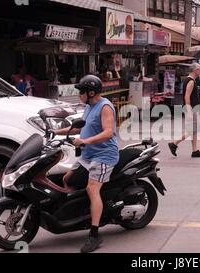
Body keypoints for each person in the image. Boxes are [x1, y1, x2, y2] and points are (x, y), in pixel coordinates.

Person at [53, 75, 119, 253]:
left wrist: (85, 142)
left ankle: (94, 234)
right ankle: (80, 212)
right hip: (89, 155)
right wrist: (55, 132)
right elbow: (79, 128)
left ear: (91, 92)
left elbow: (108, 133)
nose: (79, 94)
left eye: (81, 91)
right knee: (67, 179)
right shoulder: (89, 107)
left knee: (92, 188)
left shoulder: (104, 106)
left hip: (104, 155)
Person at [168, 63, 200, 158]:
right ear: (194, 70)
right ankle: (174, 143)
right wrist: (189, 110)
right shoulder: (190, 81)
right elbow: (186, 96)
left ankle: (195, 150)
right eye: (199, 69)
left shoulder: (191, 80)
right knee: (191, 130)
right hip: (191, 108)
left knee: (194, 130)